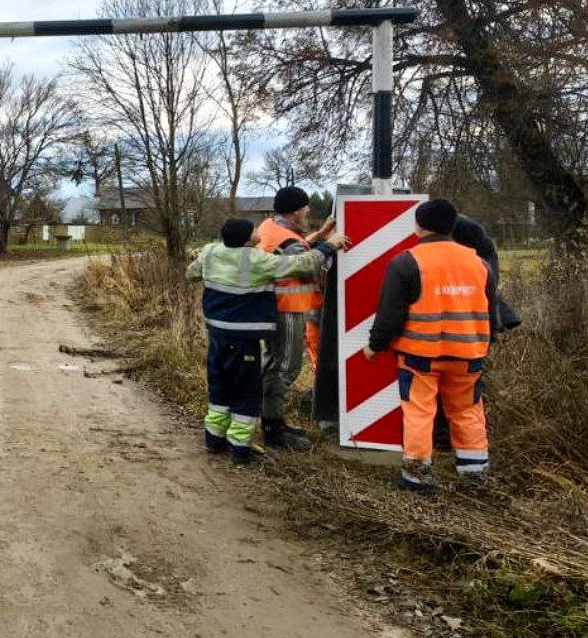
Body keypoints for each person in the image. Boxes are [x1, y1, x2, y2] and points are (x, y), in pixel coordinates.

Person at [187, 218, 350, 466]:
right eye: (254, 231)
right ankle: (240, 449)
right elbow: (300, 264)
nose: (258, 233)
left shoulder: (210, 252)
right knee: (246, 392)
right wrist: (330, 245)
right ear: (245, 240)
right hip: (244, 340)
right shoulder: (255, 260)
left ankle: (213, 439)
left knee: (219, 388)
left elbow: (191, 274)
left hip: (217, 335)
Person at [361, 199, 497, 493]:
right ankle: (475, 474)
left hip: (420, 356)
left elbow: (390, 315)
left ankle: (417, 477)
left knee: (420, 413)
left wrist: (375, 345)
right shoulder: (480, 264)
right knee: (468, 411)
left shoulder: (406, 262)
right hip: (469, 355)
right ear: (452, 226)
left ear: (418, 227)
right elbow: (491, 312)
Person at [255, 186, 335, 451]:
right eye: (305, 207)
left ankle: (271, 420)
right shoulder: (286, 240)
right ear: (296, 211)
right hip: (286, 308)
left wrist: (320, 236)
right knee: (285, 368)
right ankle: (273, 428)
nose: (308, 211)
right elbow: (304, 262)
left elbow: (296, 248)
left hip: (273, 306)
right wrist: (329, 246)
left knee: (272, 365)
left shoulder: (270, 227)